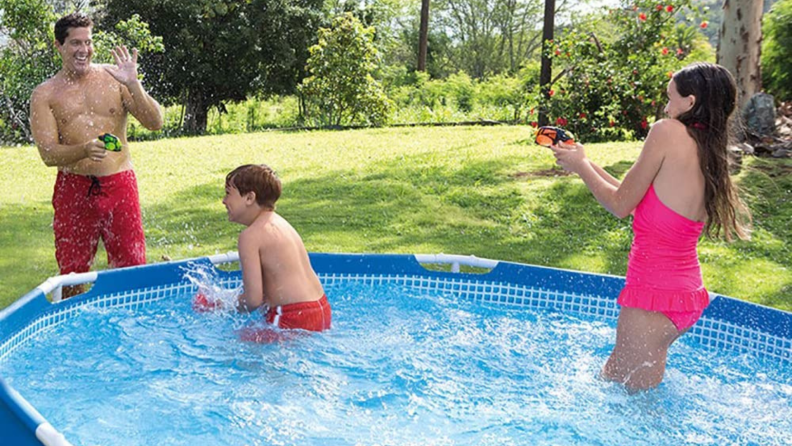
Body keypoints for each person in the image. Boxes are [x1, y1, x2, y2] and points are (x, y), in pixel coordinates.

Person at [549, 62, 751, 391]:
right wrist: (583, 163)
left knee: (621, 397)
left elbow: (619, 205)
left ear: (690, 101)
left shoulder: (667, 132)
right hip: (683, 296)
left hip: (652, 296)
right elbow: (636, 201)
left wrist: (581, 165)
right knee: (632, 397)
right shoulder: (706, 148)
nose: (666, 107)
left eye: (671, 98)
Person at [29, 13, 163, 298]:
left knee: (132, 268)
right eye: (75, 43)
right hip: (73, 189)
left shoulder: (115, 78)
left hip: (120, 183)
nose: (84, 50)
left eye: (88, 42)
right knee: (72, 275)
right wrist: (84, 150)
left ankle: (130, 329)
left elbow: (155, 122)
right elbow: (48, 153)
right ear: (59, 46)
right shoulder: (45, 94)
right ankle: (77, 336)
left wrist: (134, 83)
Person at [196, 164, 330, 340]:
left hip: (292, 317)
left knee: (232, 344)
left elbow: (253, 300)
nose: (223, 200)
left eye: (228, 193)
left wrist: (219, 305)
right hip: (321, 309)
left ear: (250, 197)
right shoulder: (281, 224)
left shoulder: (250, 236)